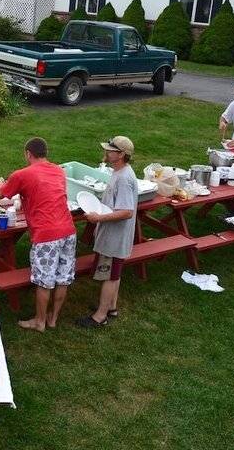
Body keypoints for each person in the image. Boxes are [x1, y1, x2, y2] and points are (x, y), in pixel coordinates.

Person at [0, 137, 76, 332]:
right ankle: (53, 318)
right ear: (45, 153)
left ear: (28, 154)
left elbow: (0, 194)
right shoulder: (58, 171)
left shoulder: (22, 174)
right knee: (63, 277)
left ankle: (39, 322)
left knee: (44, 280)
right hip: (68, 229)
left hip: (46, 233)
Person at [77, 136, 138, 328]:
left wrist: (98, 218)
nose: (106, 152)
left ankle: (100, 316)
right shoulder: (119, 172)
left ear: (121, 155)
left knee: (109, 274)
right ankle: (111, 306)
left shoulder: (124, 179)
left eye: (111, 150)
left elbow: (127, 211)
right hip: (114, 235)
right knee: (115, 272)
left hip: (115, 237)